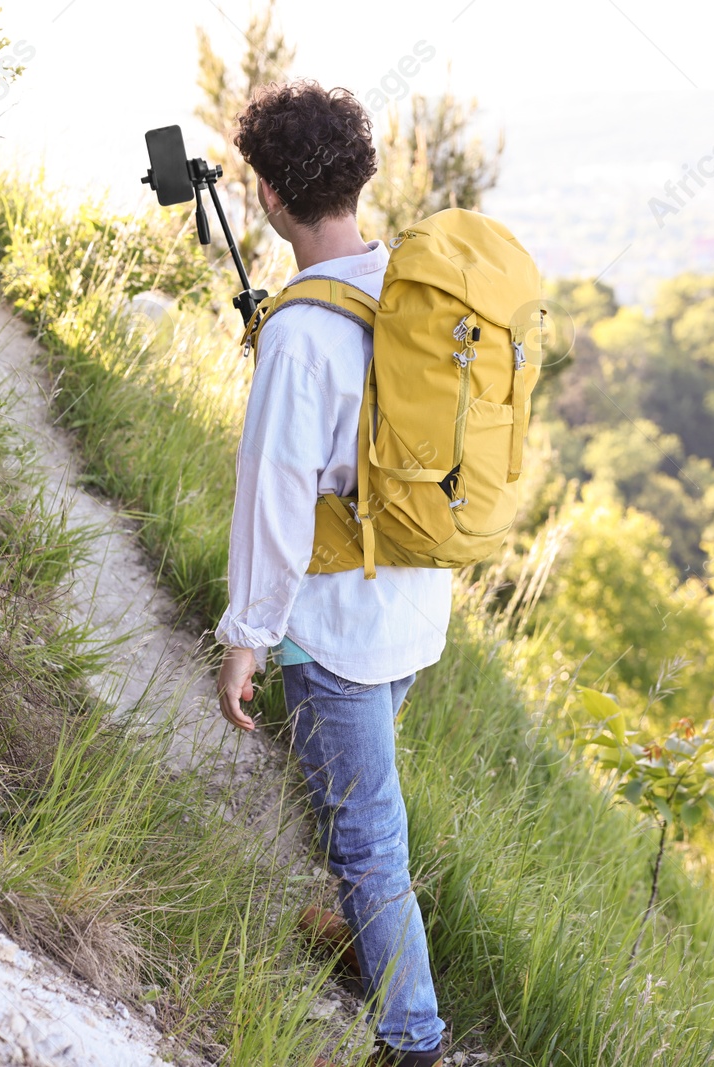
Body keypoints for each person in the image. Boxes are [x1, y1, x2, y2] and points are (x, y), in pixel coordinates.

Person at [213, 80, 452, 1067]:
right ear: (356, 178)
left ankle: (415, 1037)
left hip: (334, 629)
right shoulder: (410, 287)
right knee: (363, 813)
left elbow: (272, 506)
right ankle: (358, 936)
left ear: (267, 197)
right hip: (413, 606)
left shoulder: (300, 333)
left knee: (367, 842)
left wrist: (244, 634)